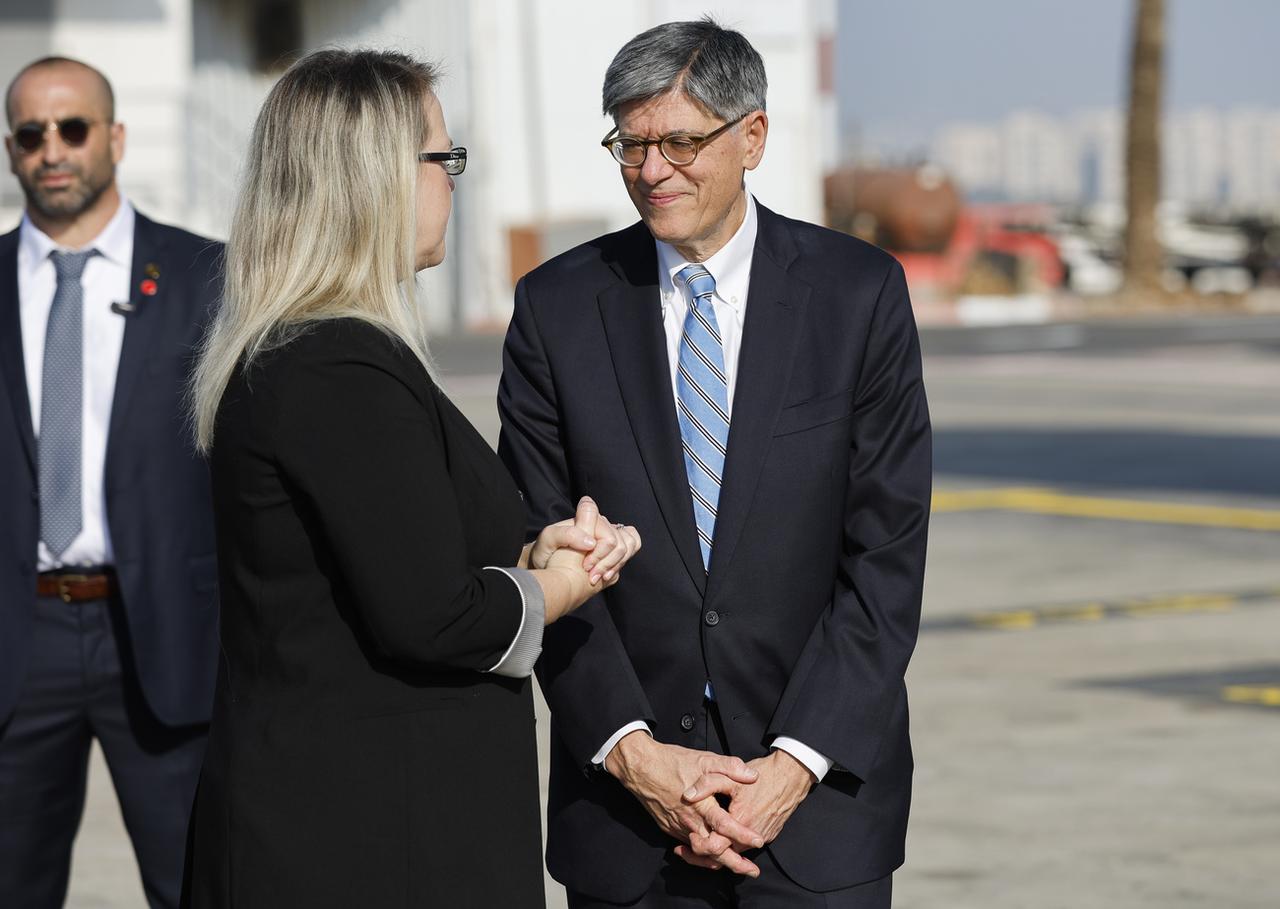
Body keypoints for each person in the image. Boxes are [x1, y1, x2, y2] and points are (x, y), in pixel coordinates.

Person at [182, 49, 640, 908]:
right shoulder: (336, 365)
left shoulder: (319, 350)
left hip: (365, 821)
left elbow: (395, 547)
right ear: (374, 178)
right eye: (443, 157)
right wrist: (562, 584)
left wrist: (533, 545)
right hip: (364, 839)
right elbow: (435, 616)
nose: (453, 182)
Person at [499, 18, 931, 908]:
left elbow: (885, 555)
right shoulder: (556, 308)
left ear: (754, 137)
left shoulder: (857, 296)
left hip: (817, 810)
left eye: (681, 141)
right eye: (631, 142)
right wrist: (639, 757)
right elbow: (535, 543)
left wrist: (791, 765)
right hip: (628, 817)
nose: (652, 170)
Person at [0, 57, 222, 909]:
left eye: (73, 127)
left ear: (115, 137)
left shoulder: (208, 276)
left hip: (167, 632)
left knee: (197, 881)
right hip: (22, 639)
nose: (53, 149)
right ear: (13, 150)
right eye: (31, 133)